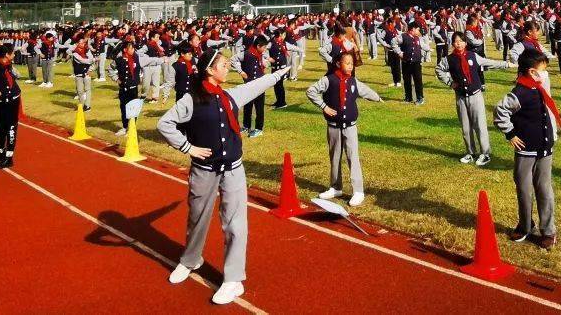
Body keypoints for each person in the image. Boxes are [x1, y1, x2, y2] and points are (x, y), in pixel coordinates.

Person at [156, 48, 291, 306]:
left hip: (233, 169)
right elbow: (165, 124)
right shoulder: (191, 100)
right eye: (224, 64)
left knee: (235, 223)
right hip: (204, 171)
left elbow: (255, 86)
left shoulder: (229, 96)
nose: (228, 68)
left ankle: (233, 279)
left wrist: (278, 74)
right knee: (197, 218)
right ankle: (191, 260)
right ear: (210, 69)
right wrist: (188, 147)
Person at [494, 49, 561, 248]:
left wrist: (552, 135)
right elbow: (500, 111)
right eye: (543, 70)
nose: (546, 73)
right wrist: (510, 133)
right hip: (526, 150)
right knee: (524, 189)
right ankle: (525, 225)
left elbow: (549, 112)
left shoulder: (542, 85)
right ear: (532, 72)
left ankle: (548, 230)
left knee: (544, 189)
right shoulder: (519, 92)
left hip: (545, 148)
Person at [306, 50, 384, 206]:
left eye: (352, 64)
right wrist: (324, 106)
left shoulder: (353, 81)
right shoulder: (328, 80)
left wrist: (377, 97)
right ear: (338, 64)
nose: (350, 66)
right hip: (333, 127)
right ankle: (336, 187)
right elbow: (311, 91)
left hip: (350, 128)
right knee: (335, 157)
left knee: (353, 158)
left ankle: (358, 191)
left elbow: (365, 91)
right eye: (347, 63)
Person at [435, 30, 511, 166]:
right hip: (461, 97)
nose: (458, 44)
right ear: (453, 44)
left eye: (461, 41)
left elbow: (489, 63)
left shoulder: (473, 56)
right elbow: (439, 69)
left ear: (465, 43)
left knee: (480, 125)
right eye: (456, 42)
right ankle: (470, 152)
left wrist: (506, 64)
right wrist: (450, 82)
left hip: (475, 96)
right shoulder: (449, 59)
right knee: (466, 127)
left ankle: (485, 153)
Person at [231, 34, 271, 137]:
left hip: (260, 84)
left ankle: (259, 128)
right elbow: (233, 59)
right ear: (258, 46)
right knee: (248, 106)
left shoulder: (261, 54)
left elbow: (264, 63)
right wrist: (241, 71)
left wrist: (265, 64)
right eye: (264, 47)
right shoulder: (246, 54)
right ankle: (246, 126)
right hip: (249, 84)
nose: (265, 49)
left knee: (259, 107)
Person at [399, 21, 428, 104]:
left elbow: (424, 46)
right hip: (406, 62)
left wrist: (428, 48)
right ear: (413, 29)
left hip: (416, 63)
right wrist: (399, 52)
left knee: (418, 80)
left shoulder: (418, 38)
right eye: (418, 30)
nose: (419, 31)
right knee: (407, 80)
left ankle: (420, 98)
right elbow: (394, 43)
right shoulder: (403, 36)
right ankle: (408, 98)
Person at [66, 35, 94, 111]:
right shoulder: (75, 53)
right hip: (78, 73)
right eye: (81, 43)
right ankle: (81, 104)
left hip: (87, 73)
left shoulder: (87, 50)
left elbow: (91, 61)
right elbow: (82, 60)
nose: (83, 44)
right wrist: (93, 60)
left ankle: (87, 106)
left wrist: (90, 69)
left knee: (88, 90)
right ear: (77, 44)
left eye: (83, 43)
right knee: (80, 91)